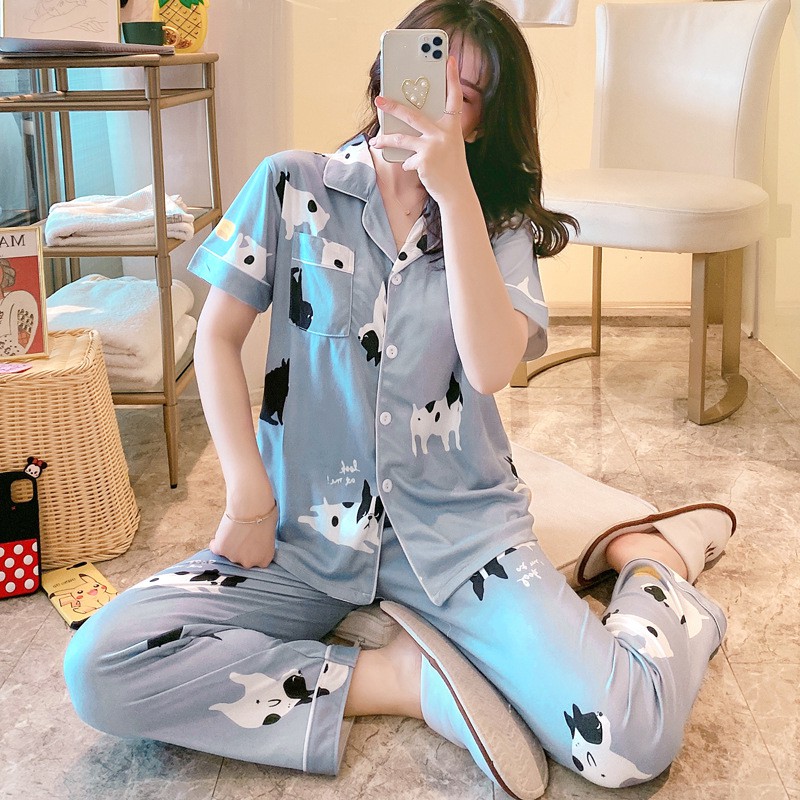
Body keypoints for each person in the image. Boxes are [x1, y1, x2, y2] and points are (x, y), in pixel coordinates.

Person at [62, 1, 734, 796]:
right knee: (101, 664)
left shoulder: (497, 227)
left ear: (480, 126)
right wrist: (246, 490)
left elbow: (491, 368)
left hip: (461, 539)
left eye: (466, 96)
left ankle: (652, 560)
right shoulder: (291, 183)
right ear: (388, 70)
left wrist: (455, 198)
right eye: (428, 70)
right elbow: (216, 337)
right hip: (305, 539)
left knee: (630, 742)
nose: (438, 102)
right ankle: (404, 680)